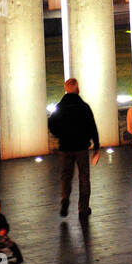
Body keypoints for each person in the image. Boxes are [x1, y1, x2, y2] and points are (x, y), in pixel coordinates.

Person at [47, 77, 100, 218]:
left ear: (65, 90)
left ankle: (65, 199)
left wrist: (59, 135)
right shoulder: (84, 107)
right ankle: (83, 208)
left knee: (66, 176)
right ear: (77, 89)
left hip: (65, 147)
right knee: (84, 177)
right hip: (81, 147)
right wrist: (96, 146)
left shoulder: (59, 107)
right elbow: (92, 126)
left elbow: (51, 124)